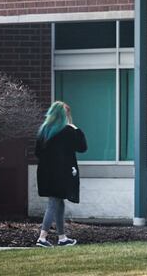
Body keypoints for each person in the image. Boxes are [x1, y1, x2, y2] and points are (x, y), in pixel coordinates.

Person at [35, 101, 87, 247]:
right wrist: (76, 128)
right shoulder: (68, 131)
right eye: (67, 113)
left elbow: (37, 153)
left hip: (45, 173)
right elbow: (82, 147)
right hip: (61, 173)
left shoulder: (44, 131)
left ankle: (62, 238)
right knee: (53, 203)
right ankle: (42, 237)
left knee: (58, 203)